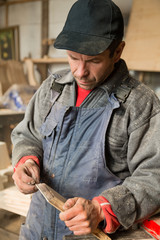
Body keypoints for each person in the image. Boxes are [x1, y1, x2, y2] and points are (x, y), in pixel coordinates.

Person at [12, 0, 160, 239]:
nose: (80, 71)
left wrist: (102, 210)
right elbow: (27, 134)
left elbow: (154, 175)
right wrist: (25, 161)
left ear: (117, 52)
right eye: (73, 58)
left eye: (93, 60)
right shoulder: (53, 88)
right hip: (38, 229)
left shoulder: (140, 105)